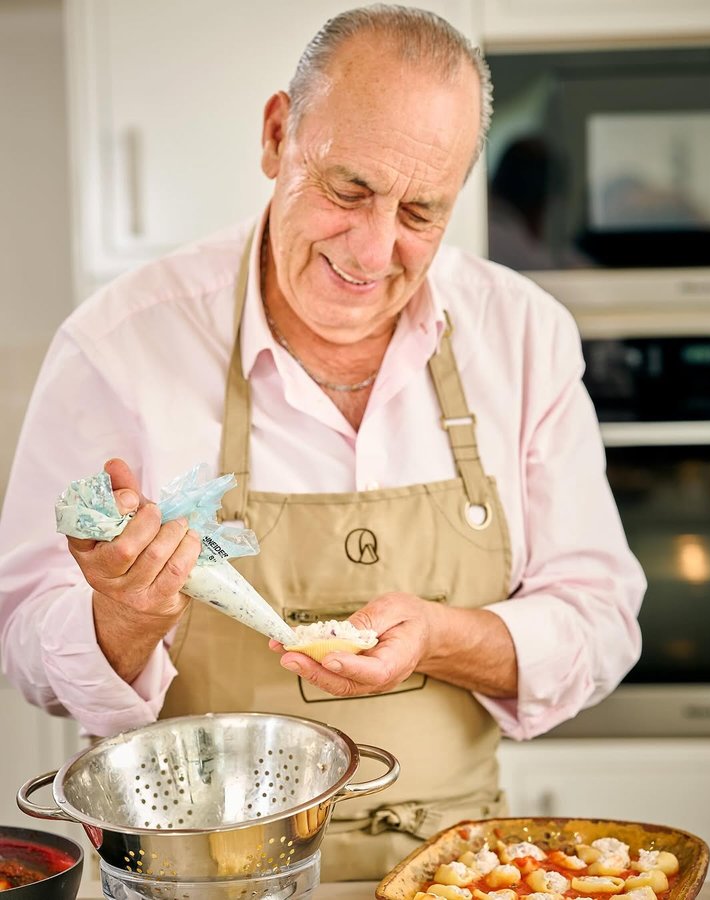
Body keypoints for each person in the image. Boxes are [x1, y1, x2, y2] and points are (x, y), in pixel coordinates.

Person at [0, 4, 645, 882]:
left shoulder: (523, 336)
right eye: (348, 191)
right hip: (197, 877)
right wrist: (121, 620)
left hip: (469, 872)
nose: (374, 250)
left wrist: (444, 636)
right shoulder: (120, 345)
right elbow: (25, 640)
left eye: (422, 210)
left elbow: (601, 621)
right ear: (277, 136)